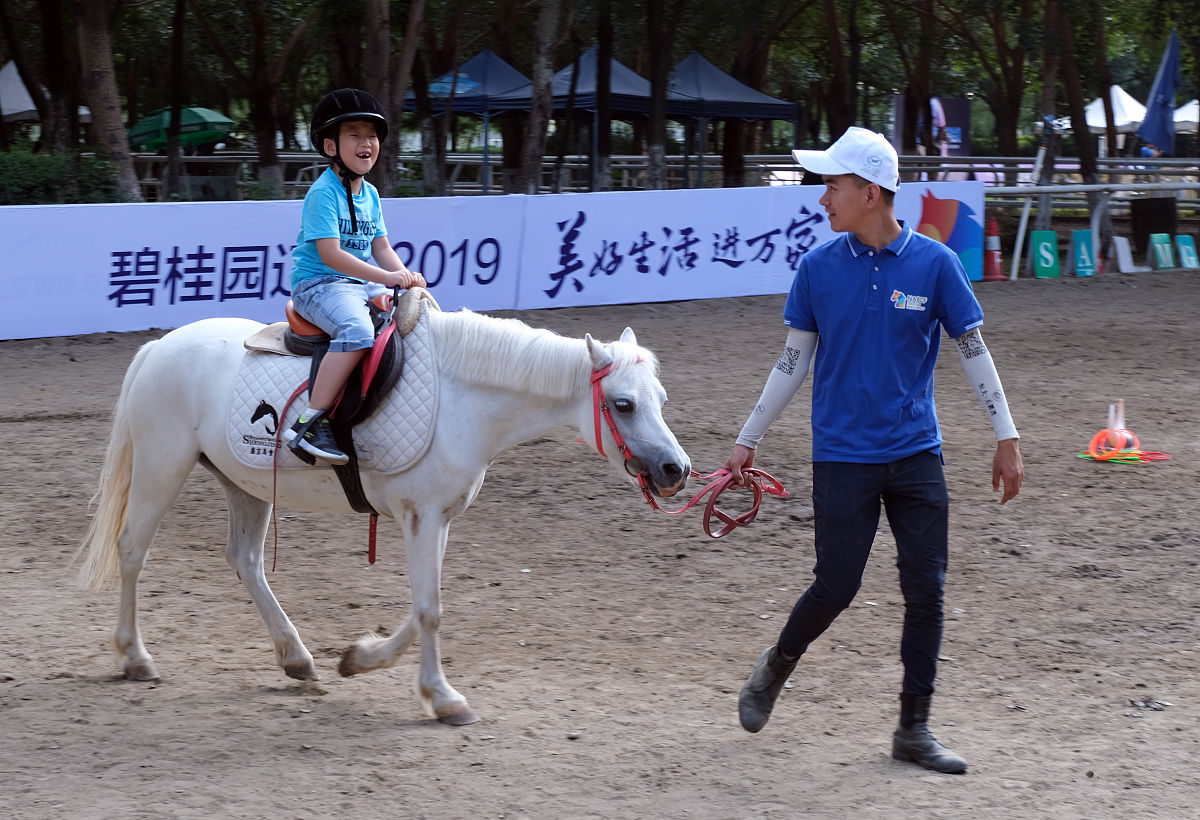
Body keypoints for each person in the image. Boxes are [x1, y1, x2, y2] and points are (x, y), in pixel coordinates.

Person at [727, 126, 1024, 774]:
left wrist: (1006, 434)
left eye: (832, 186)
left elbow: (973, 350)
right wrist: (747, 439)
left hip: (916, 453)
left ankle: (913, 729)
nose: (823, 198)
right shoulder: (817, 269)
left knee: (927, 589)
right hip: (841, 456)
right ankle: (776, 665)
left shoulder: (936, 265)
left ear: (869, 192)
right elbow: (791, 362)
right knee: (836, 585)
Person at [285, 88, 425, 465]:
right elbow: (331, 256)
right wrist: (387, 276)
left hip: (356, 285)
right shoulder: (322, 194)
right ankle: (308, 423)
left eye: (372, 135)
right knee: (358, 331)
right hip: (318, 285)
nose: (366, 143)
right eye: (355, 135)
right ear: (330, 146)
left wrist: (403, 274)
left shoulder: (371, 194)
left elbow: (381, 246)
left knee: (413, 322)